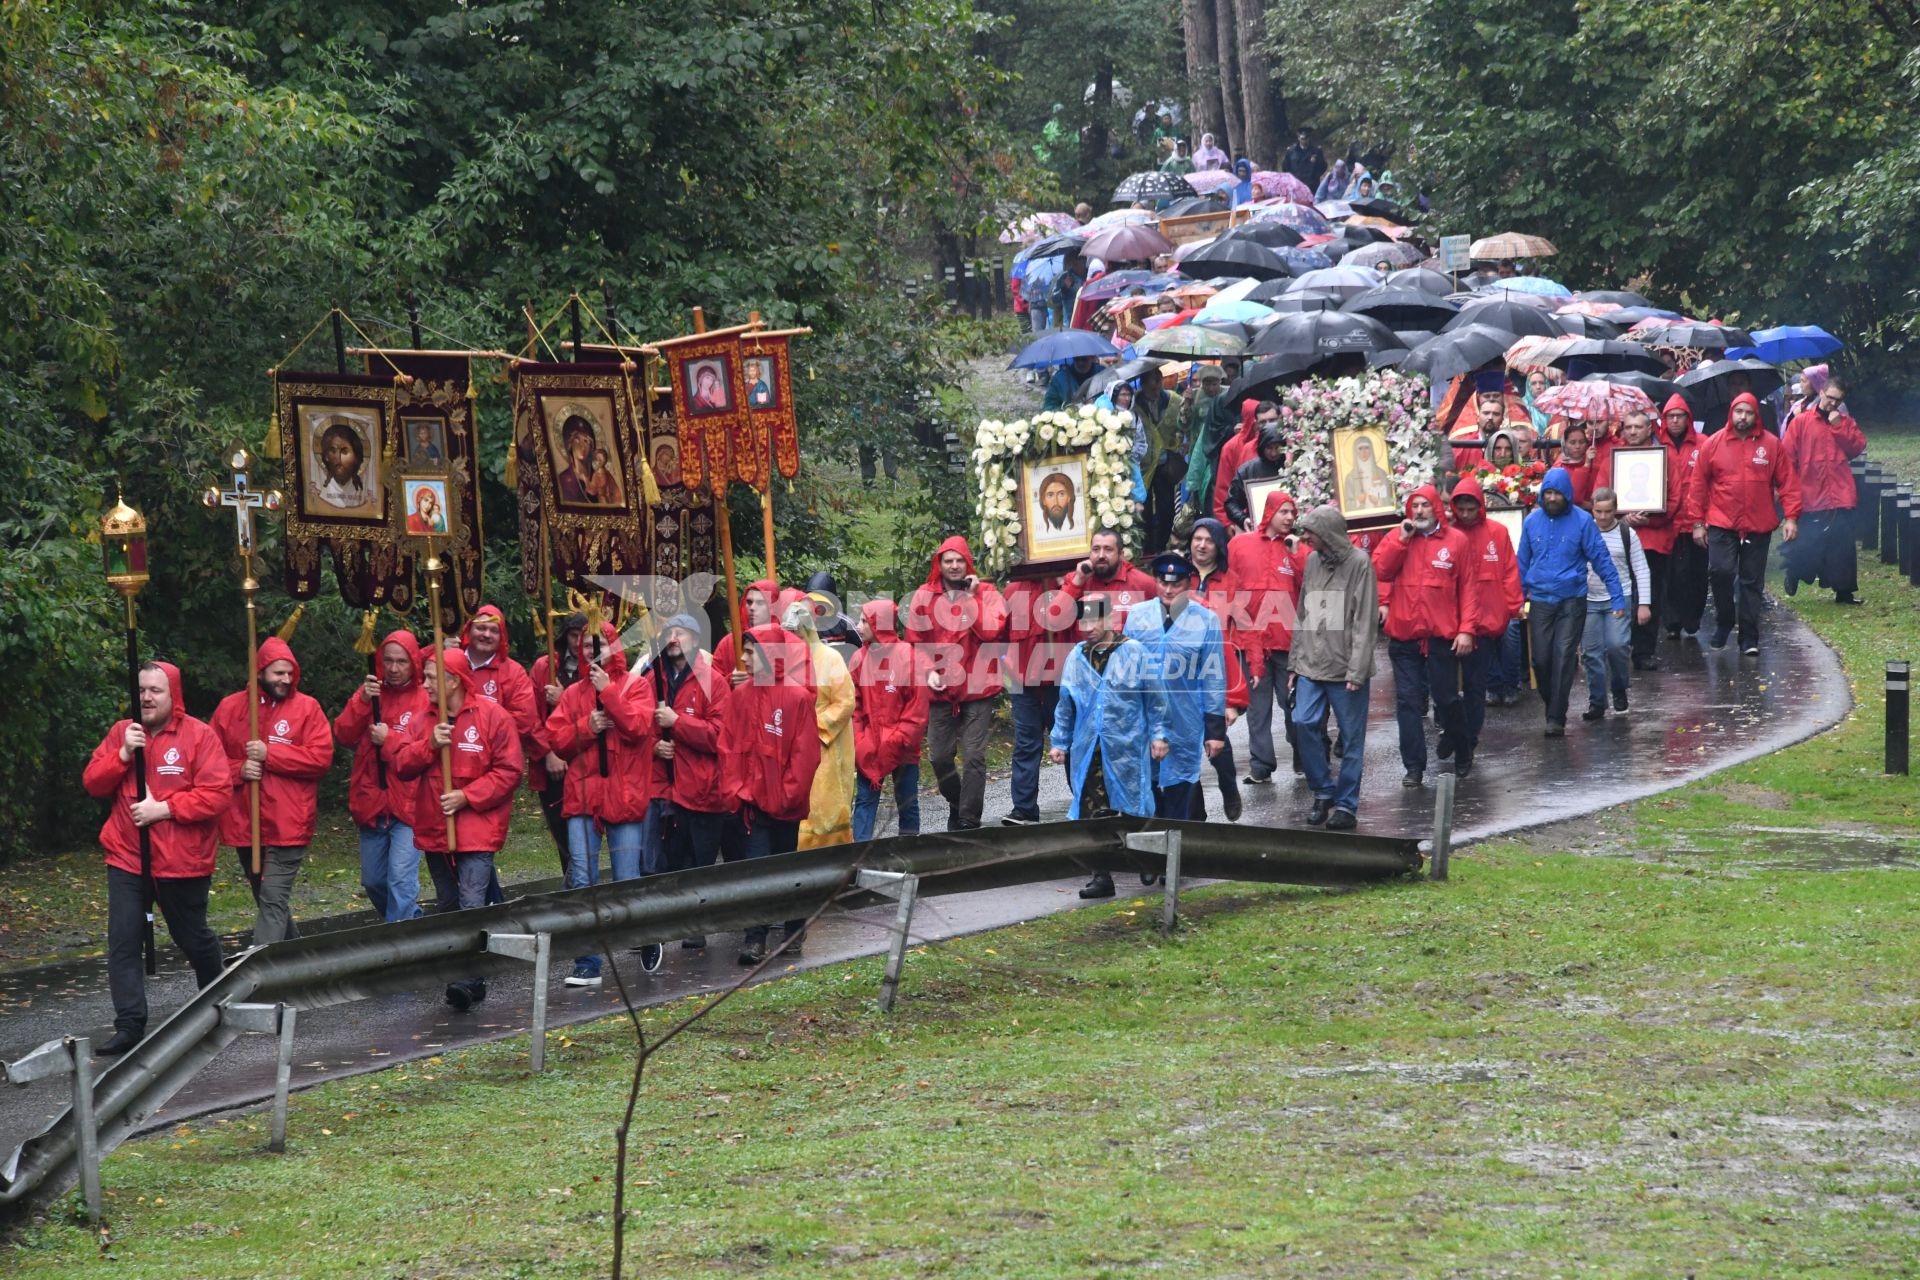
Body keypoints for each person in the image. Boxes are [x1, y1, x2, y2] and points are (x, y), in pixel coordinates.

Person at [83, 661, 232, 1055]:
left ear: (173, 695)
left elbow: (218, 793)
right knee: (123, 940)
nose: (147, 698)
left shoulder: (199, 736)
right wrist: (120, 755)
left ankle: (217, 1000)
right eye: (142, 690)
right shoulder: (123, 732)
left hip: (182, 861)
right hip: (128, 857)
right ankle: (129, 1025)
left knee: (192, 938)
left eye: (156, 691)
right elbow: (93, 783)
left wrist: (164, 808)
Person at [394, 646, 526, 1010]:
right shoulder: (422, 720)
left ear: (453, 681)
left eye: (432, 678)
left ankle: (466, 979)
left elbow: (510, 771)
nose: (425, 685)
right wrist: (429, 746)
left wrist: (468, 796)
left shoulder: (492, 716)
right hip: (436, 829)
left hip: (478, 828)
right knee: (449, 904)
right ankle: (471, 974)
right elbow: (402, 764)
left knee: (470, 902)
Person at [208, 637, 333, 944]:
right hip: (246, 822)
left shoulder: (307, 708)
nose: (285, 680)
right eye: (278, 673)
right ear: (261, 671)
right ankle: (299, 960)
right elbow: (207, 762)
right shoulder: (230, 708)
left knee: (272, 896)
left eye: (289, 673)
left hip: (289, 820)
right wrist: (239, 769)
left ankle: (259, 967)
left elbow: (320, 758)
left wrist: (270, 756)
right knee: (266, 897)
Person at [544, 622, 649, 986]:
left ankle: (643, 940)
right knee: (583, 881)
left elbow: (638, 728)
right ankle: (587, 962)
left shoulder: (637, 685)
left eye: (599, 643)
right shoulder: (573, 694)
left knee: (626, 880)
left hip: (624, 795)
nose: (592, 650)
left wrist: (610, 695)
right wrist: (586, 727)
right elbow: (556, 740)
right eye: (587, 645)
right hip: (583, 798)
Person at [721, 624, 822, 965]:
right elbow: (729, 748)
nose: (744, 658)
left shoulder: (797, 697)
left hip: (785, 806)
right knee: (757, 870)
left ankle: (794, 926)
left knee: (785, 868)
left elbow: (805, 755)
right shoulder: (740, 696)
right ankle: (755, 937)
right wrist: (736, 791)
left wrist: (785, 797)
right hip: (752, 805)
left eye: (750, 651)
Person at [1053, 593, 1164, 896]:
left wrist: (1158, 736)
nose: (1087, 626)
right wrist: (1060, 741)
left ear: (1110, 618)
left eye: (1094, 619)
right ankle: (1101, 875)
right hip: (1088, 751)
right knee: (1092, 810)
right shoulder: (1076, 657)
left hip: (1127, 747)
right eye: (1083, 619)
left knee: (1133, 805)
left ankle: (1147, 860)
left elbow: (1155, 699)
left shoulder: (1135, 653)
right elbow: (1066, 704)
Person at [1681, 392, 1802, 653]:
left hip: (1758, 523)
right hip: (1722, 521)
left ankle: (1749, 637)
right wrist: (1697, 523)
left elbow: (1788, 482)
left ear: (1755, 415)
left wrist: (1791, 517)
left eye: (1748, 412)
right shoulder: (1714, 444)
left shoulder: (1771, 444)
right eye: (1739, 412)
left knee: (1751, 581)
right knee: (1721, 572)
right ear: (1731, 413)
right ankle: (1725, 620)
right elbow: (1698, 485)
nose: (1743, 417)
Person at [637, 614, 729, 951]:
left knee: (699, 859)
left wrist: (678, 723)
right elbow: (635, 731)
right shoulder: (649, 680)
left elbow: (720, 735)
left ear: (695, 639)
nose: (674, 639)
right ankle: (657, 928)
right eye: (669, 633)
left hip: (702, 786)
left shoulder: (713, 681)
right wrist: (654, 746)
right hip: (662, 785)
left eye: (681, 633)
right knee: (663, 858)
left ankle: (696, 924)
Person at [1373, 485, 1476, 786]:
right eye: (1414, 506)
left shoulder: (1456, 541)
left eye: (1424, 506)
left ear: (1436, 508)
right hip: (1404, 634)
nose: (1418, 511)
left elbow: (1468, 589)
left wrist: (1467, 629)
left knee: (1446, 699)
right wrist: (1401, 539)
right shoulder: (1398, 537)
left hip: (1440, 635)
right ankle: (1414, 767)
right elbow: (1380, 569)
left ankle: (1463, 747)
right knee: (1407, 702)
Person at [905, 536, 1007, 831]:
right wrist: (927, 671)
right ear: (939, 564)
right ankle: (957, 801)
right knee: (938, 757)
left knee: (974, 755)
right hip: (940, 690)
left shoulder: (986, 592)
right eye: (948, 560)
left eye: (959, 560)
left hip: (977, 687)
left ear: (968, 563)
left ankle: (968, 820)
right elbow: (915, 643)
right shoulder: (924, 596)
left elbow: (991, 631)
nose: (953, 566)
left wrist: (972, 597)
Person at [1517, 467, 1626, 737]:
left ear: (1567, 494)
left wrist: (1617, 596)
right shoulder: (1532, 521)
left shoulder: (1582, 521)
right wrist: (1516, 599)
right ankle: (1553, 704)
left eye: (1557, 493)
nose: (1552, 498)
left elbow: (1600, 558)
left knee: (1564, 655)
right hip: (1540, 599)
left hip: (1572, 599)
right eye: (1548, 493)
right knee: (1541, 660)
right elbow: (1521, 562)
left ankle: (1556, 717)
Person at [1121, 553, 1226, 828]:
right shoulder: (1137, 616)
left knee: (1180, 784)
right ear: (1155, 581)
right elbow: (1126, 671)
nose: (1168, 589)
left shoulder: (1206, 621)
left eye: (1176, 583)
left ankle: (1176, 855)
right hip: (1144, 716)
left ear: (1188, 583)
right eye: (1163, 582)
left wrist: (1214, 731)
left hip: (1185, 718)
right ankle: (1149, 858)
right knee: (1146, 783)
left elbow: (1213, 678)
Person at [1289, 506, 1378, 830]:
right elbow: (1304, 609)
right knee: (1302, 722)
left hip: (1345, 668)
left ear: (1326, 533)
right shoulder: (1312, 561)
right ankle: (1323, 791)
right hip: (1311, 663)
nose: (1305, 538)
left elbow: (1364, 620)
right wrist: (1294, 661)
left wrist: (1357, 670)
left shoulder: (1360, 563)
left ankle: (1346, 806)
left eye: (1310, 532)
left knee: (1352, 740)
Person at [336, 629, 431, 922]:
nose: (393, 668)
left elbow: (424, 750)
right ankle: (409, 922)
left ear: (413, 662)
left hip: (410, 804)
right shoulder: (370, 695)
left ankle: (399, 945)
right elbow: (342, 734)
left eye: (401, 661)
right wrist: (362, 700)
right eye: (388, 660)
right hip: (372, 802)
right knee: (374, 882)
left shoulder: (425, 700)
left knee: (401, 881)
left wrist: (389, 740)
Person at [461, 602, 545, 903]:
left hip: (492, 769)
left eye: (492, 630)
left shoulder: (512, 673)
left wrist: (484, 729)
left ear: (502, 636)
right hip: (452, 769)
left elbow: (523, 718)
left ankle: (482, 908)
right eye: (480, 627)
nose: (485, 634)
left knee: (480, 839)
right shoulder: (449, 663)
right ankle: (490, 905)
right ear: (468, 630)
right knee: (457, 845)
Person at [1593, 410, 1682, 668]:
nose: (1633, 432)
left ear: (1649, 429)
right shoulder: (1611, 459)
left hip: (1654, 538)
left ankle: (1644, 652)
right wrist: (1621, 519)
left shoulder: (1665, 459)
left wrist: (1651, 520)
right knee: (1617, 591)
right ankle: (1617, 646)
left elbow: (1675, 498)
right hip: (1616, 538)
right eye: (1628, 427)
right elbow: (1599, 496)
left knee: (1650, 595)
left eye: (1638, 427)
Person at [1228, 488, 1305, 782]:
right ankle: (1261, 766)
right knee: (1258, 709)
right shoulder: (1240, 545)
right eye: (1284, 511)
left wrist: (1297, 554)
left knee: (1294, 704)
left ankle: (1303, 756)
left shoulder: (1296, 547)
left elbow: (1309, 584)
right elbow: (1231, 587)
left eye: (1292, 513)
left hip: (1288, 641)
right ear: (1270, 512)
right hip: (1253, 642)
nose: (1289, 517)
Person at [1448, 476, 1523, 771]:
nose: (1465, 514)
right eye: (1461, 509)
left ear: (1479, 506)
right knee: (1451, 687)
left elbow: (1508, 570)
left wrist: (1512, 606)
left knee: (1476, 686)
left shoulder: (1498, 532)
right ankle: (1455, 730)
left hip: (1489, 616)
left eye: (1470, 508)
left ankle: (1470, 736)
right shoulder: (1450, 534)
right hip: (1455, 622)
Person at [1000, 569, 1078, 826]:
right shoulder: (1013, 591)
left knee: (1071, 744)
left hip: (1060, 682)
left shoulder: (1070, 584)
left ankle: (1083, 803)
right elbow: (1001, 634)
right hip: (1024, 683)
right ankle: (1023, 809)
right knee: (1026, 744)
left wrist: (1066, 586)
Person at [1781, 375, 1866, 605]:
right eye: (1830, 398)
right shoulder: (1801, 423)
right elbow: (1788, 458)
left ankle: (1845, 591)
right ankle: (1795, 572)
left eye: (1838, 400)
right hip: (1810, 493)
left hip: (1840, 493)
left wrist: (1838, 426)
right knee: (1808, 543)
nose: (1833, 404)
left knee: (1843, 545)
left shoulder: (1845, 422)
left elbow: (1857, 447)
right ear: (1821, 393)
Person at [1187, 519, 1250, 819]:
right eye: (1197, 539)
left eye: (1208, 540)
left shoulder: (1231, 581)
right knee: (1184, 746)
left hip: (1216, 672)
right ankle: (1196, 815)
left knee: (1216, 745)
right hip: (1183, 674)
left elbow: (1242, 633)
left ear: (1218, 545)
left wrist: (1235, 696)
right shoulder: (1178, 577)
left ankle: (1228, 786)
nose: (1201, 545)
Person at [850, 600, 928, 842]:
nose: (859, 626)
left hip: (902, 745)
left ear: (879, 623)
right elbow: (854, 706)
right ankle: (858, 855)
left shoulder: (908, 658)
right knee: (864, 798)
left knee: (906, 799)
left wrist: (896, 740)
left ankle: (910, 850)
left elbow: (917, 709)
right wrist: (860, 740)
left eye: (864, 621)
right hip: (870, 744)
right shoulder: (858, 659)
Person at [786, 597, 856, 849]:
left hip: (825, 745)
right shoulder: (782, 662)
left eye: (795, 632)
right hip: (791, 748)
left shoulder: (830, 658)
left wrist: (813, 728)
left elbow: (845, 702)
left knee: (825, 803)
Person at [1580, 489, 1652, 720]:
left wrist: (1644, 603)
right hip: (1588, 599)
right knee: (1591, 653)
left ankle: (1619, 686)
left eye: (1608, 512)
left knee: (1617, 645)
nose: (1602, 517)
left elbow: (1641, 568)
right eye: (1598, 512)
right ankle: (1597, 701)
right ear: (1592, 509)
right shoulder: (1584, 531)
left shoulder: (1626, 533)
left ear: (1616, 510)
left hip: (1619, 597)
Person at [531, 612, 590, 872]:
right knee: (561, 828)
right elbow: (531, 717)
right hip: (554, 760)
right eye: (573, 636)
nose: (578, 644)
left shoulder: (599, 665)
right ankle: (572, 879)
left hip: (587, 757)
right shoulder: (545, 667)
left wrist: (565, 698)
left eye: (584, 638)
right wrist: (547, 754)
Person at [1659, 394, 1709, 638]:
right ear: (1664, 419)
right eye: (1671, 416)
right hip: (1667, 520)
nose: (1675, 421)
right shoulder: (1656, 445)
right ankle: (1671, 622)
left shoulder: (1703, 443)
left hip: (1696, 520)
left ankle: (1693, 618)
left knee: (1696, 573)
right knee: (1669, 575)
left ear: (1688, 418)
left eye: (1679, 416)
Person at [1224, 422, 1287, 531]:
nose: (1273, 453)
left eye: (1277, 448)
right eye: (1269, 448)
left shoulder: (1292, 466)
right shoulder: (1247, 470)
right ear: (1262, 447)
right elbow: (1231, 503)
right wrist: (1243, 519)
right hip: (1258, 530)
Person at [316, 421, 373, 510]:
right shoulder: (320, 492)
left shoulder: (364, 494)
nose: (338, 458)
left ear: (356, 457)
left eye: (344, 452)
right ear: (326, 457)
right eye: (333, 451)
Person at [1342, 435, 1395, 513]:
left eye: (1366, 448)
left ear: (1371, 450)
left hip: (1381, 515)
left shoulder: (1381, 473)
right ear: (1355, 451)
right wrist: (1358, 501)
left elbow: (1389, 500)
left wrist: (1378, 501)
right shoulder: (1350, 477)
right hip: (1359, 519)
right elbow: (1347, 505)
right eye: (1360, 448)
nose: (1364, 452)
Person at [555, 415, 600, 504]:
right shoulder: (563, 481)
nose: (582, 445)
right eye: (577, 439)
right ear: (570, 444)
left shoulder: (599, 478)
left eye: (586, 441)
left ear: (591, 447)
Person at [1557, 422, 1596, 507]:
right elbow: (1574, 496)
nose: (1577, 446)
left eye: (1581, 442)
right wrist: (1586, 465)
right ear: (1565, 444)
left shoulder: (1593, 459)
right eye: (1572, 442)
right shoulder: (1559, 465)